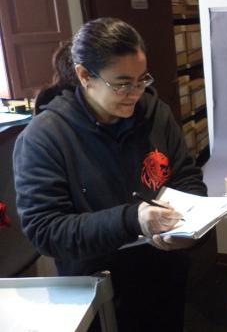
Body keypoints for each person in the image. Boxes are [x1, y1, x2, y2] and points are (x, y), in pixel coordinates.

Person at [14, 18, 206, 331]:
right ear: (85, 75)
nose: (135, 92)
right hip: (97, 291)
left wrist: (191, 227)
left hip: (164, 275)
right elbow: (45, 230)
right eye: (121, 83)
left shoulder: (156, 114)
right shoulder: (45, 137)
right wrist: (132, 220)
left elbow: (187, 177)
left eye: (141, 79)